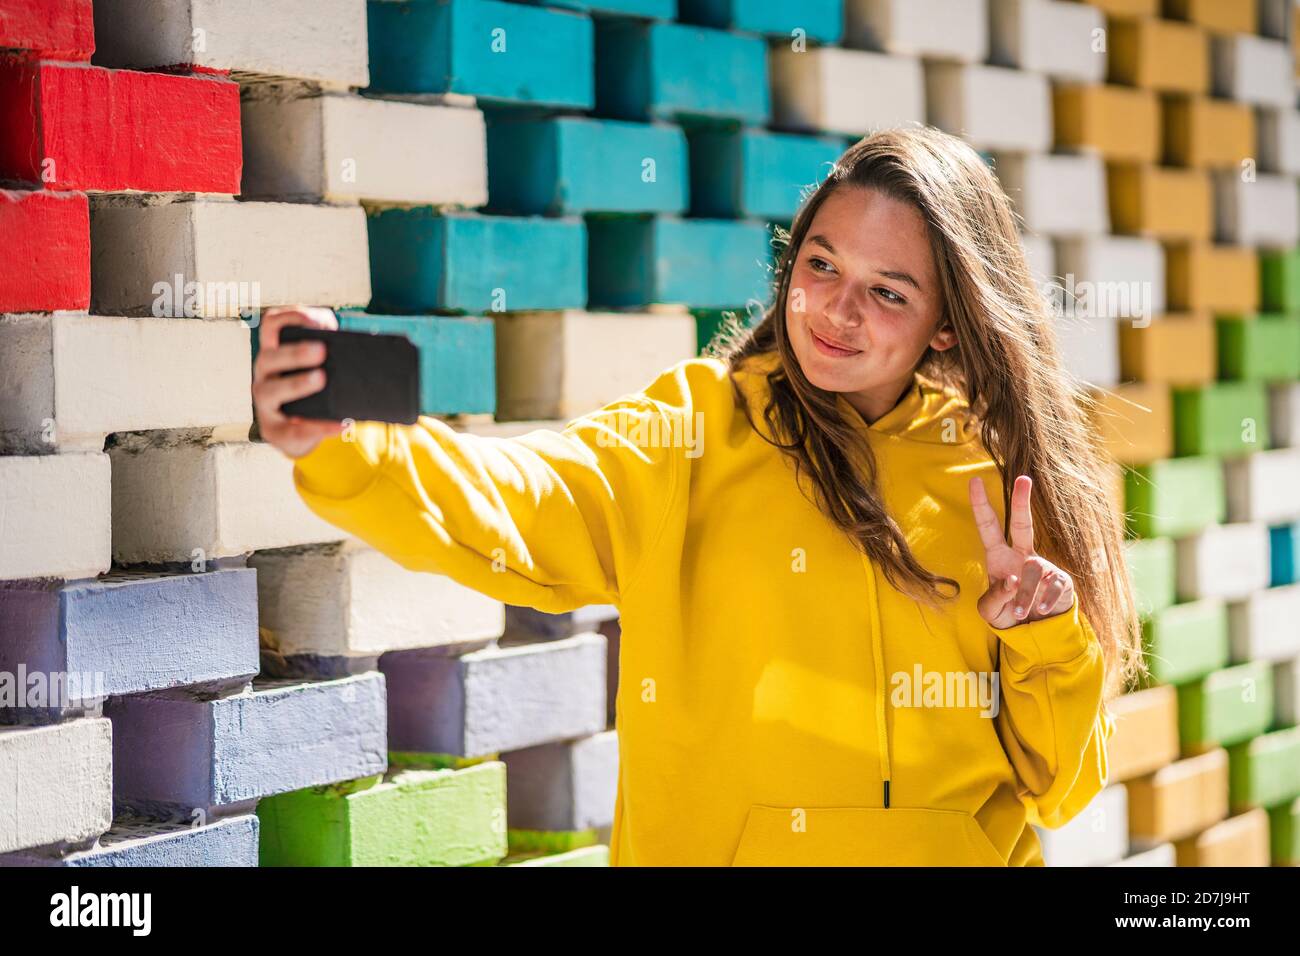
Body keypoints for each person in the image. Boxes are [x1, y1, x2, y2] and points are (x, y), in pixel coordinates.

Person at [252, 126, 1144, 867]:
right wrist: (355, 447)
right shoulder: (695, 429)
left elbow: (1060, 790)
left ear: (947, 321)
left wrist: (1041, 643)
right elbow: (528, 494)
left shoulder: (1001, 486)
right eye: (822, 265)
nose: (835, 312)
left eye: (887, 292)